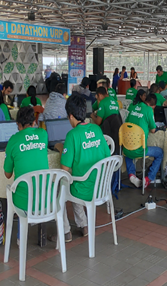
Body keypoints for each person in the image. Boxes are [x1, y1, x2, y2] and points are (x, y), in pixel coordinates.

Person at [60, 93, 110, 241]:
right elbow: (107, 156)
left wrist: (61, 149)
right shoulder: (96, 129)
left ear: (70, 116)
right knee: (76, 180)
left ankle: (65, 232)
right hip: (101, 187)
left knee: (61, 185)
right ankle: (83, 226)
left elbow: (64, 169)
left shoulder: (72, 135)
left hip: (84, 190)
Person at [3, 106, 49, 212]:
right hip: (45, 199)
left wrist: (8, 150)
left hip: (23, 201)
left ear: (18, 124)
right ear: (34, 122)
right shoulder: (43, 134)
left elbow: (7, 174)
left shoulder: (13, 140)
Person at [124, 91, 164, 189]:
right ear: (153, 106)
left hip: (126, 148)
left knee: (129, 148)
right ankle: (148, 178)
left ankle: (132, 175)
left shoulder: (132, 107)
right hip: (140, 150)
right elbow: (153, 130)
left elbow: (127, 123)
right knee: (160, 153)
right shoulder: (148, 110)